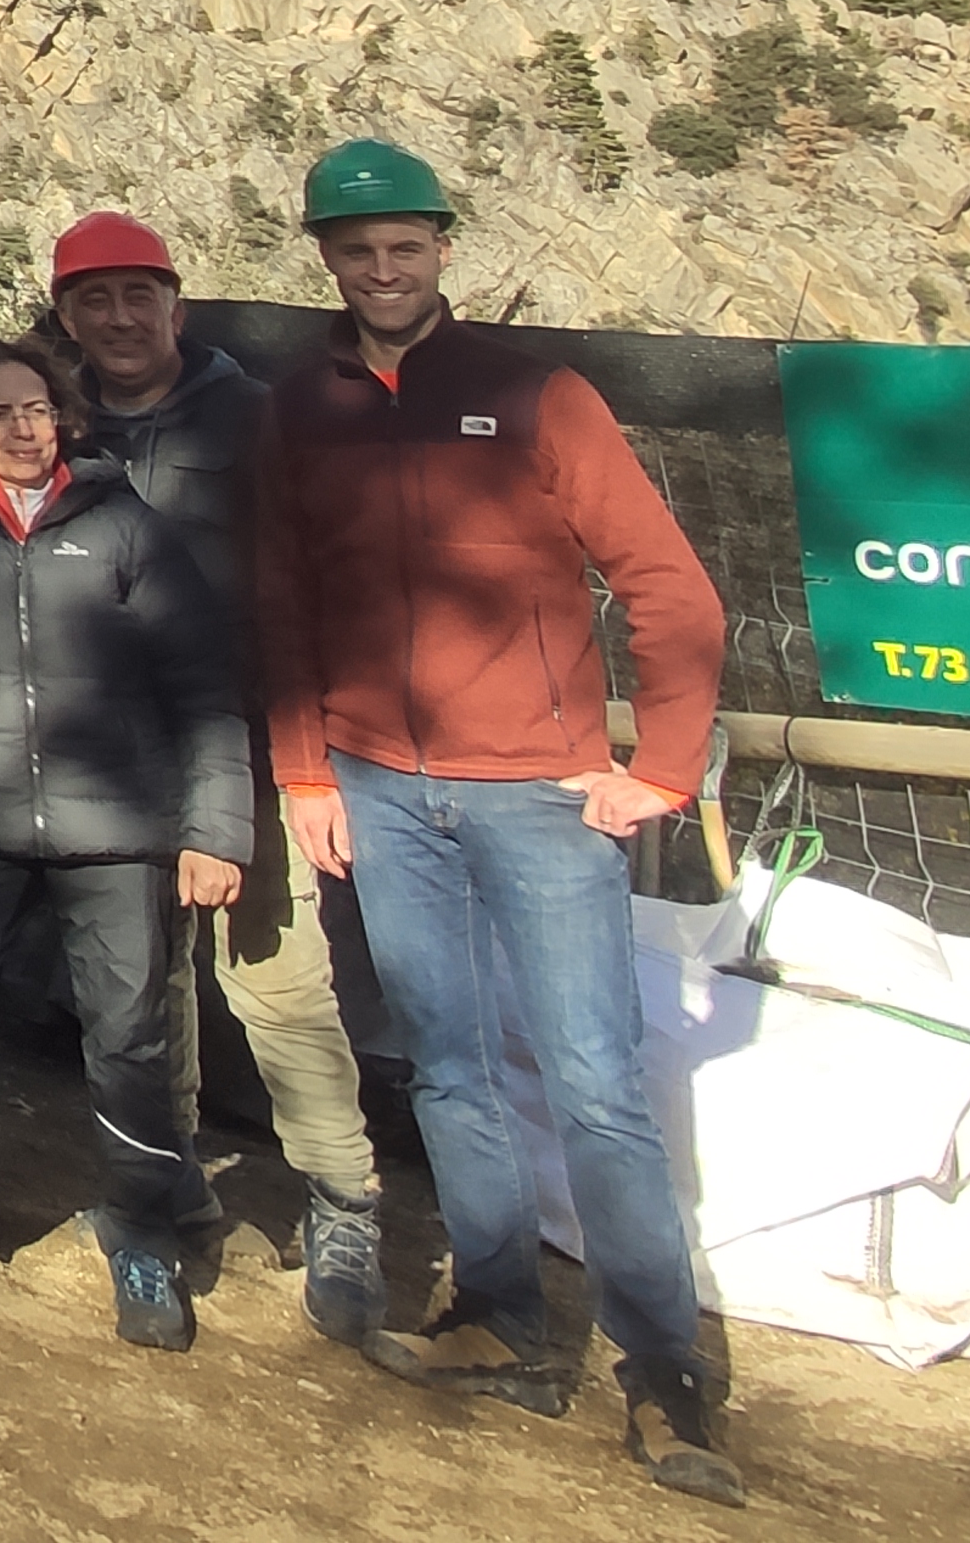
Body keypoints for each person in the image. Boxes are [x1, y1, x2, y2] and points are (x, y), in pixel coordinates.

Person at [263, 142, 742, 1508]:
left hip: (538, 791)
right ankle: (503, 1321)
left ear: (443, 248)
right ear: (326, 260)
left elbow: (671, 589)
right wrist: (307, 773)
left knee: (594, 1082)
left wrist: (667, 768)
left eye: (404, 243)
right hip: (376, 788)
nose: (382, 267)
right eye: (357, 249)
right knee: (448, 1068)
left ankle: (664, 1377)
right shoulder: (302, 407)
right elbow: (284, 598)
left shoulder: (538, 396)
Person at [0, 337, 249, 1353]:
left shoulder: (125, 528)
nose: (22, 428)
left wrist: (212, 829)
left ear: (64, 415)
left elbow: (202, 684)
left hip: (118, 832)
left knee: (131, 1037)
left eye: (36, 407)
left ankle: (143, 1232)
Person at [43, 207, 386, 1341]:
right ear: (67, 316)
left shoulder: (256, 419)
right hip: (112, 754)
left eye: (140, 294)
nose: (120, 316)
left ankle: (344, 1200)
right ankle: (165, 1188)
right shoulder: (57, 427)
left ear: (177, 305)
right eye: (95, 298)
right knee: (138, 997)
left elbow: (324, 576)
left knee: (278, 983)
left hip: (247, 737)